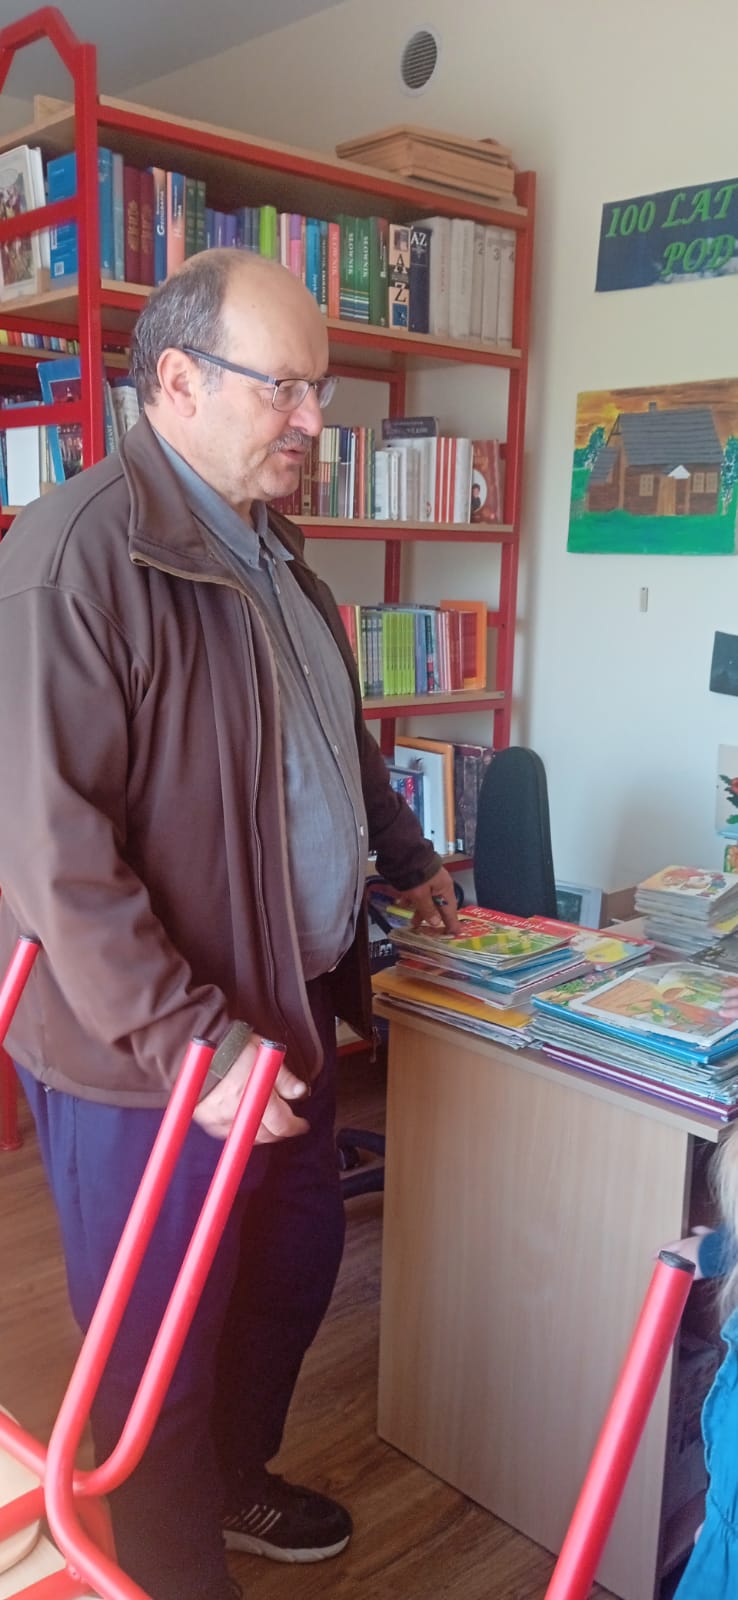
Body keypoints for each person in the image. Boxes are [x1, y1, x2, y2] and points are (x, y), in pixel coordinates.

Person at [0, 247, 460, 1600]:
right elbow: (51, 856)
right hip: (151, 1051)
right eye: (286, 390)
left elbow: (330, 738)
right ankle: (167, 1563)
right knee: (158, 1342)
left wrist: (403, 855)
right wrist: (192, 1048)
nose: (313, 421)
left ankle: (229, 1483)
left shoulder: (274, 551)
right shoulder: (72, 559)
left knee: (293, 1269)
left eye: (321, 390)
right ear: (178, 382)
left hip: (287, 1011)